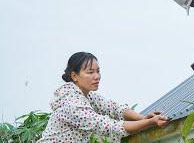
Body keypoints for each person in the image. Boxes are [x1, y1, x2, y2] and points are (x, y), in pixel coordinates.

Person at [38, 52, 168, 142]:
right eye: (90, 72)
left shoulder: (87, 96)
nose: (97, 76)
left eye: (98, 71)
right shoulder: (72, 103)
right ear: (74, 76)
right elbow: (109, 127)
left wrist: (143, 118)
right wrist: (150, 122)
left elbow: (114, 108)